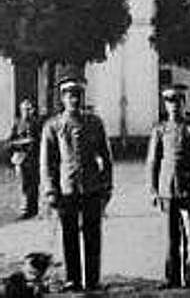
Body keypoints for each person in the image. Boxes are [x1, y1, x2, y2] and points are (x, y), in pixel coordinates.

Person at [40, 69, 113, 292]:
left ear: (83, 97)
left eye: (78, 95)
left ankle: (92, 279)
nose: (74, 99)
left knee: (93, 235)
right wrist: (51, 190)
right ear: (62, 98)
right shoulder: (53, 126)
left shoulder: (95, 123)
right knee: (69, 235)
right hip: (66, 189)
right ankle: (73, 278)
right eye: (69, 95)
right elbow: (47, 163)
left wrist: (107, 185)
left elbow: (106, 157)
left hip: (91, 188)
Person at [146, 83, 190, 289]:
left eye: (178, 101)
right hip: (167, 190)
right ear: (165, 105)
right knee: (171, 236)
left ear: (184, 103)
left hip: (189, 190)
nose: (174, 106)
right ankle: (172, 278)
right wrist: (152, 190)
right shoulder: (160, 130)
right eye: (169, 102)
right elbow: (153, 161)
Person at [7, 98, 41, 219]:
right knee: (23, 185)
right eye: (24, 109)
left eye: (28, 109)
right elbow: (10, 141)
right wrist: (21, 142)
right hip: (21, 159)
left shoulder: (37, 123)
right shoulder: (17, 124)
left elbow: (41, 141)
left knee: (34, 184)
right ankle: (25, 210)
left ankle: (34, 210)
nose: (26, 111)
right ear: (21, 110)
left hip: (34, 158)